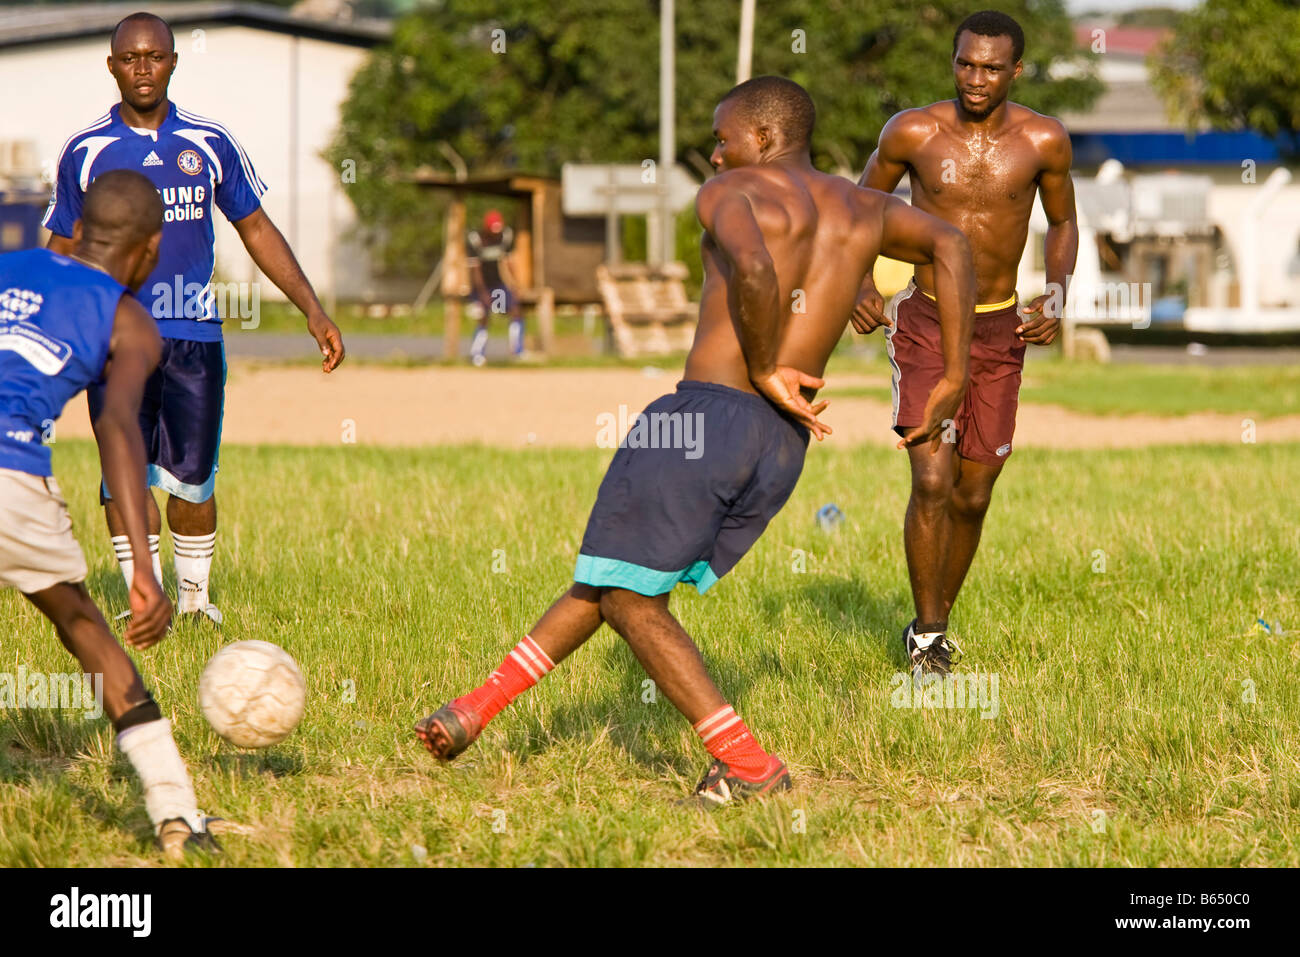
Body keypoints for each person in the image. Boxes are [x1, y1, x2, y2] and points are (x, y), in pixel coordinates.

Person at [416, 77, 976, 806]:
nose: (714, 154)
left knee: (628, 595)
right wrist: (956, 373)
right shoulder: (865, 208)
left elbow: (752, 265)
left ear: (766, 139)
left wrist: (767, 362)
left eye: (723, 137)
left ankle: (745, 761)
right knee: (618, 576)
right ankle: (475, 709)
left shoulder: (734, 193)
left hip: (706, 418)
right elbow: (953, 244)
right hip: (780, 442)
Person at [43, 12, 346, 625]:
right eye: (130, 58)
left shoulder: (209, 142)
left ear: (174, 61)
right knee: (121, 472)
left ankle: (195, 601)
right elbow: (60, 244)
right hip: (113, 340)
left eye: (155, 56)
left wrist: (311, 308)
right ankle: (141, 597)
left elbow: (255, 227)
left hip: (194, 337)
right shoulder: (86, 149)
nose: (143, 68)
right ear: (112, 66)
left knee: (191, 480)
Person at [853, 10, 1078, 678]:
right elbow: (859, 206)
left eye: (989, 67)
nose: (975, 79)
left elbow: (1064, 223)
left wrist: (1058, 291)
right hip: (925, 322)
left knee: (972, 495)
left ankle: (934, 618)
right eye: (964, 64)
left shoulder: (1044, 140)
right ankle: (928, 640)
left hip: (1001, 327)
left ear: (1016, 70)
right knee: (931, 478)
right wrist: (860, 282)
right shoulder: (913, 130)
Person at [2, 170, 221, 858]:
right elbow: (120, 430)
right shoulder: (129, 320)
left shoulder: (11, 267)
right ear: (151, 249)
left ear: (79, 227)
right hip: (11, 478)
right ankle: (176, 813)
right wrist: (143, 571)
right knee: (82, 624)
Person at [467, 209, 524, 366]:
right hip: (481, 287)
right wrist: (483, 294)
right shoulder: (476, 240)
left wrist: (516, 285)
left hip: (497, 285)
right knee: (484, 317)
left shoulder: (504, 237)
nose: (496, 233)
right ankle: (477, 355)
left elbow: (509, 261)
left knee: (515, 310)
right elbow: (475, 270)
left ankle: (517, 351)